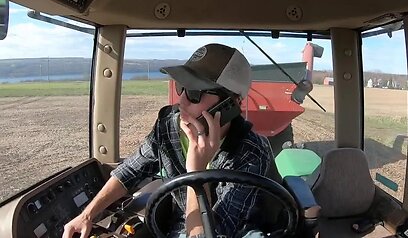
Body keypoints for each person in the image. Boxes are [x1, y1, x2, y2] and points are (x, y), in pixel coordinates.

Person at [63, 43, 273, 238]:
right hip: (182, 225)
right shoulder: (168, 127)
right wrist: (87, 215)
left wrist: (196, 173)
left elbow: (213, 232)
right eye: (181, 87)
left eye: (193, 93)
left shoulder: (250, 152)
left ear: (232, 104)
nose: (180, 101)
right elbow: (130, 171)